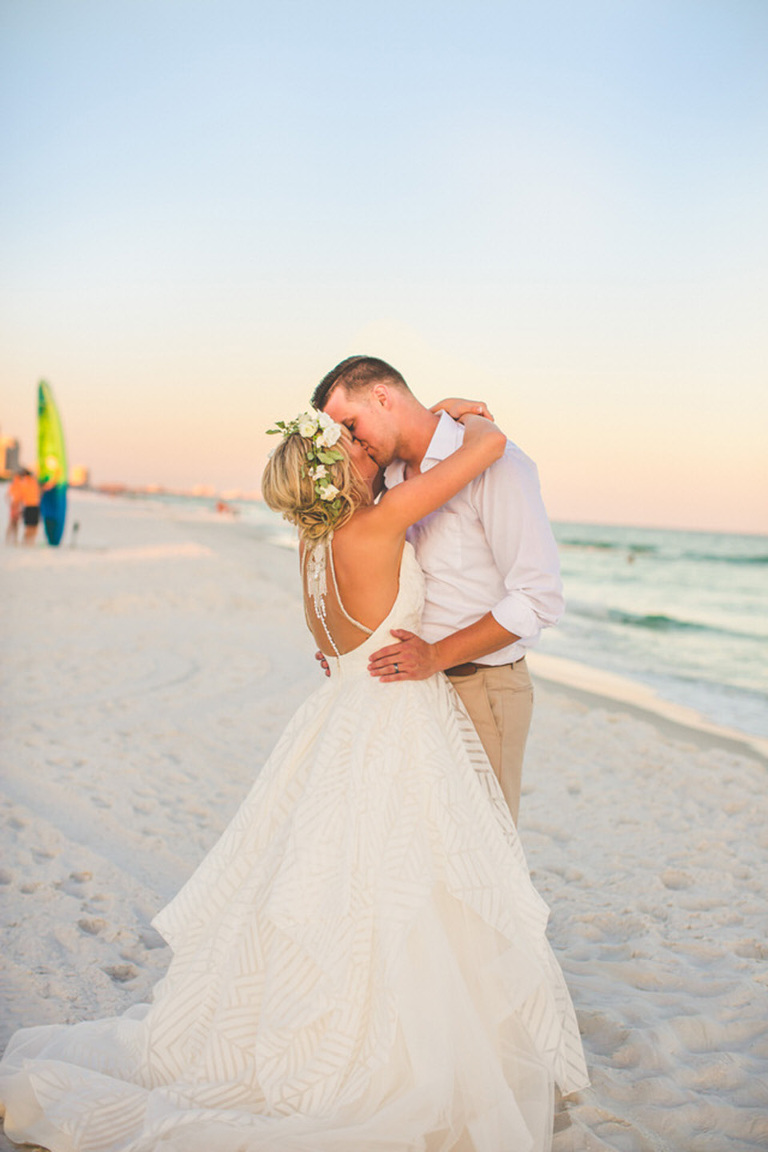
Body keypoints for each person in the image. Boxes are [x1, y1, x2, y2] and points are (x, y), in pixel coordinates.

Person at [0, 409, 587, 1151]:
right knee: (402, 885)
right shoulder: (376, 527)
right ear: (335, 470)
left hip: (338, 718)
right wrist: (467, 415)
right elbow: (489, 452)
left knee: (342, 883)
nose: (364, 445)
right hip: (394, 721)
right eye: (349, 444)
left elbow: (336, 635)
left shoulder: (311, 544)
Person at [312, 356, 563, 824]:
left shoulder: (499, 464)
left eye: (349, 424)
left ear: (383, 397)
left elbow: (538, 598)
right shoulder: (384, 479)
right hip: (406, 693)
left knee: (485, 850)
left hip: (480, 686)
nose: (348, 443)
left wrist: (435, 656)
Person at [18, 468, 42, 547]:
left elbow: (20, 496)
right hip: (34, 506)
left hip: (28, 506)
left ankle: (27, 542)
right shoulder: (33, 481)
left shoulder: (24, 482)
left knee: (29, 526)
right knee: (33, 526)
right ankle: (29, 542)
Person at [4, 470, 25, 544]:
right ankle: (9, 538)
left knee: (15, 522)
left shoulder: (17, 484)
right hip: (15, 504)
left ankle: (12, 539)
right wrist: (11, 503)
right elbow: (8, 495)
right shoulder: (16, 484)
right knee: (13, 522)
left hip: (17, 504)